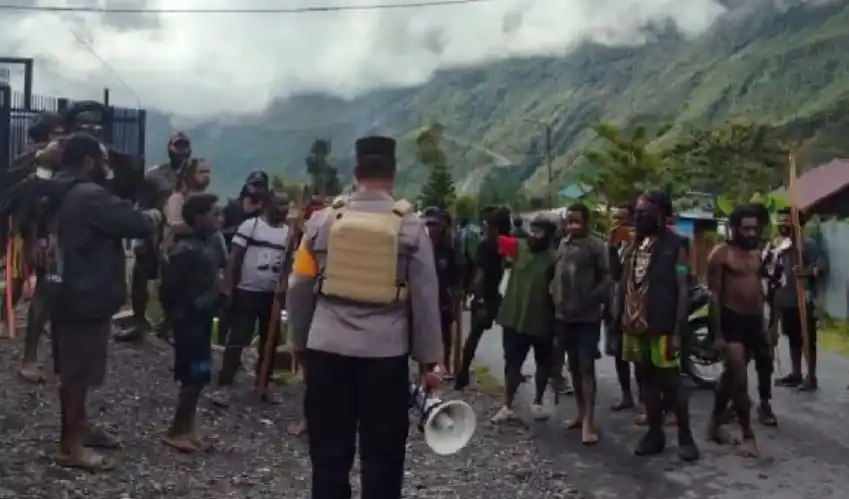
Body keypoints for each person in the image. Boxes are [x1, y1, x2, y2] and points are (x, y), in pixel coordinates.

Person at [286, 136, 442, 499]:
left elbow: (299, 286)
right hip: (384, 358)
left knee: (328, 454)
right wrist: (428, 360)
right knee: (383, 457)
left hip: (327, 350)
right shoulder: (410, 226)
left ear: (356, 173)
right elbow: (425, 296)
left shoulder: (323, 221)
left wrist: (300, 342)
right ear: (393, 173)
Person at [48, 133, 162, 471]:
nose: (107, 167)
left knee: (72, 368)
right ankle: (70, 446)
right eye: (102, 160)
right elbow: (136, 223)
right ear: (87, 163)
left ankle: (79, 428)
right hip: (86, 294)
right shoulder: (89, 196)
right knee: (78, 374)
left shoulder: (57, 187)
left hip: (62, 288)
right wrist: (156, 213)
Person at [616, 190, 699, 461]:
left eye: (644, 212)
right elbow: (623, 281)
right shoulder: (635, 245)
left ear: (661, 214)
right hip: (635, 326)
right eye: (637, 213)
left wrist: (678, 329)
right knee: (646, 381)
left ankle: (686, 436)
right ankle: (655, 433)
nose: (638, 217)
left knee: (672, 384)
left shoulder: (677, 245)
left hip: (664, 326)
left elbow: (682, 286)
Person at [211, 190, 292, 406]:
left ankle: (263, 384)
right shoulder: (251, 226)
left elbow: (289, 263)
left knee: (270, 340)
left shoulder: (289, 233)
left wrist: (284, 287)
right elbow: (234, 257)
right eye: (279, 204)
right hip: (247, 291)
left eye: (286, 205)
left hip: (272, 295)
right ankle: (225, 385)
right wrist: (229, 287)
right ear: (268, 204)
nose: (283, 209)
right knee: (238, 338)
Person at [706, 204, 771, 458]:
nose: (751, 233)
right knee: (740, 379)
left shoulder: (757, 254)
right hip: (730, 321)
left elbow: (761, 292)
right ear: (734, 228)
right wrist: (718, 334)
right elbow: (714, 296)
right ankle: (747, 436)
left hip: (753, 322)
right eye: (746, 229)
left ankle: (713, 424)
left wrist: (766, 326)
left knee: (730, 377)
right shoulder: (720, 254)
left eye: (755, 228)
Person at [159, 193, 222, 453]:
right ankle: (176, 430)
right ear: (198, 217)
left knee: (200, 376)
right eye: (214, 213)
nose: (219, 218)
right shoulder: (185, 249)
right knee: (192, 376)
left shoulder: (206, 244)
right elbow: (169, 289)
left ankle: (187, 428)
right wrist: (177, 316)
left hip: (202, 320)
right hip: (190, 323)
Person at [123, 133, 193, 342]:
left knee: (174, 283)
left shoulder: (194, 176)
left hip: (181, 236)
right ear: (169, 149)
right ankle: (138, 321)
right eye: (177, 146)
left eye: (184, 147)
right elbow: (142, 206)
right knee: (141, 277)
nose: (180, 151)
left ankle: (169, 324)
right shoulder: (155, 176)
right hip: (154, 233)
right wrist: (142, 236)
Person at [491, 215, 557, 424]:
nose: (534, 235)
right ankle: (507, 405)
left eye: (539, 231)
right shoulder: (518, 247)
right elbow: (494, 240)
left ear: (549, 235)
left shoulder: (554, 258)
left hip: (542, 320)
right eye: (532, 230)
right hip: (514, 317)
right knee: (512, 363)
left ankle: (537, 402)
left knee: (543, 363)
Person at [552, 203, 609, 444]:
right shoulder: (563, 243)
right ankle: (579, 413)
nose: (572, 224)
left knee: (586, 367)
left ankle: (589, 422)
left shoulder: (597, 246)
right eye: (569, 220)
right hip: (564, 316)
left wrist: (590, 300)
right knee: (573, 366)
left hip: (587, 318)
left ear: (586, 221)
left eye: (576, 220)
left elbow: (608, 280)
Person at [771, 207, 827, 392]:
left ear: (797, 224)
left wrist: (807, 272)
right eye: (782, 220)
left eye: (787, 220)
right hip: (786, 300)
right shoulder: (781, 246)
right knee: (793, 338)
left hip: (803, 300)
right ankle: (796, 374)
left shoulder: (807, 244)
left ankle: (811, 377)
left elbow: (821, 265)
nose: (783, 224)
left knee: (807, 339)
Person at [455, 206, 510, 390]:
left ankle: (462, 373)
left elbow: (479, 274)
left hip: (485, 297)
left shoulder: (486, 245)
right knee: (508, 335)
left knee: (474, 336)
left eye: (486, 223)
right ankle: (512, 372)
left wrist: (475, 296)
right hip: (494, 295)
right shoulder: (504, 244)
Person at [605, 202, 642, 413]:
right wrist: (611, 247)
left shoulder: (639, 245)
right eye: (615, 219)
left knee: (637, 356)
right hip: (615, 306)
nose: (618, 223)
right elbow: (612, 273)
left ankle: (645, 400)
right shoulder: (615, 246)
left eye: (622, 219)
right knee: (618, 354)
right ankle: (627, 396)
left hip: (634, 307)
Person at [423, 207, 460, 373]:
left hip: (442, 299)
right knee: (423, 337)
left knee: (445, 335)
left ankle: (445, 364)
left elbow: (455, 276)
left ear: (441, 226)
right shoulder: (418, 248)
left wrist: (455, 298)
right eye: (428, 224)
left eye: (434, 224)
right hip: (422, 301)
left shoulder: (448, 250)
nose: (431, 228)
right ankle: (425, 368)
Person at [160, 158, 212, 258]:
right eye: (201, 172)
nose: (206, 175)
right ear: (189, 175)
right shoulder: (177, 199)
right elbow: (174, 224)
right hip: (177, 252)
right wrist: (200, 226)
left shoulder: (206, 200)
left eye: (208, 172)